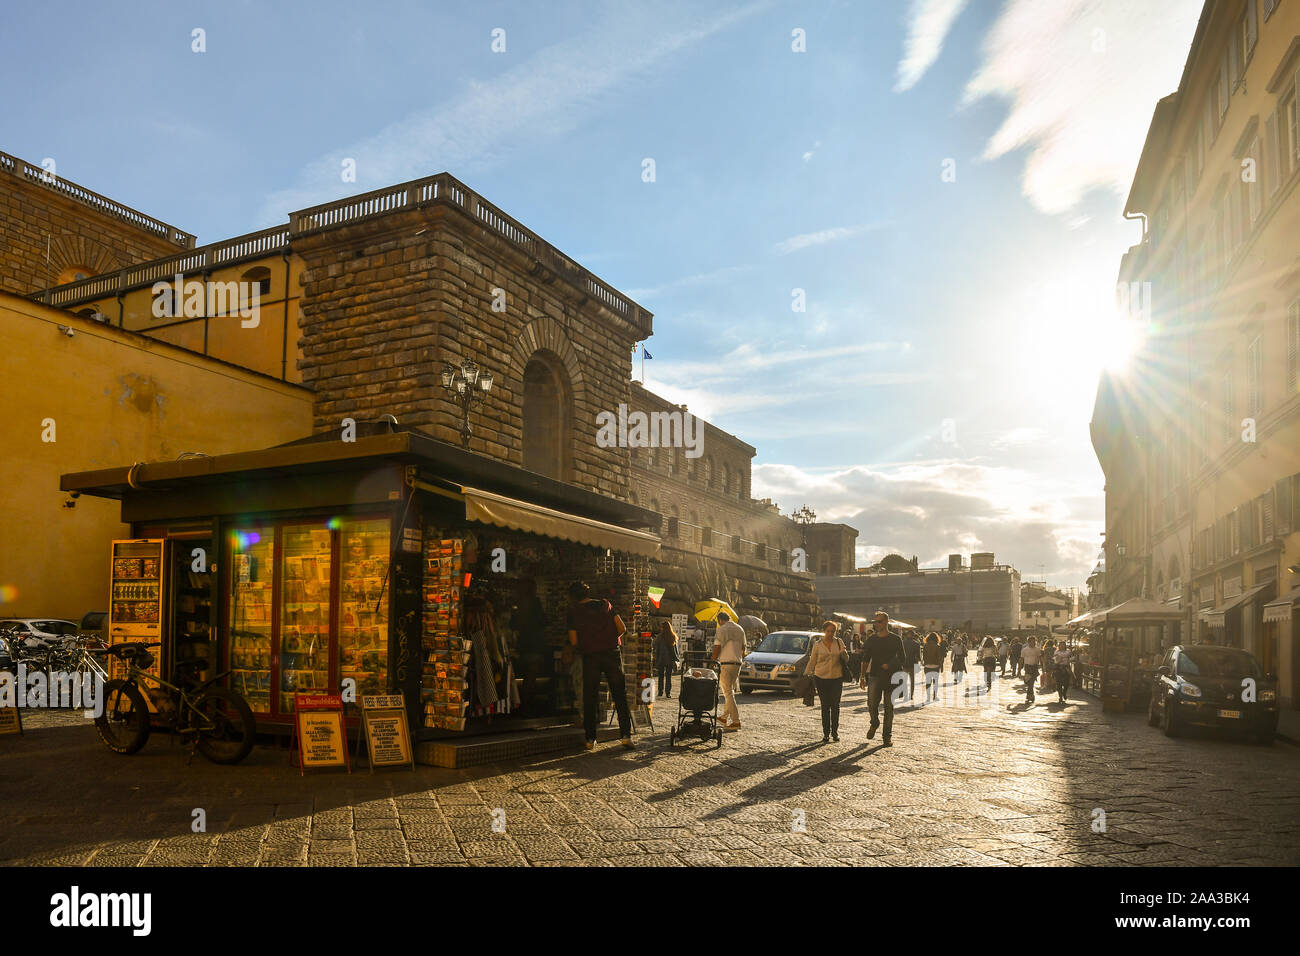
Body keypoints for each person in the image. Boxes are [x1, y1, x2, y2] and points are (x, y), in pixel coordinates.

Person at [567, 581, 633, 752]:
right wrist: (609, 640)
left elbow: (574, 641)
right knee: (619, 694)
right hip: (612, 653)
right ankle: (626, 736)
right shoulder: (606, 604)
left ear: (573, 597)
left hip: (590, 657)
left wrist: (589, 643)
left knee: (590, 696)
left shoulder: (573, 612)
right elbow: (622, 628)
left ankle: (590, 739)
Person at [858, 610, 907, 747]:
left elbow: (903, 658)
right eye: (875, 622)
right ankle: (874, 723)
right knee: (872, 704)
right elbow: (865, 659)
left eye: (879, 622)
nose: (876, 624)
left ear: (886, 622)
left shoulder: (896, 639)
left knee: (888, 708)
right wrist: (862, 677)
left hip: (892, 677)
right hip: (875, 676)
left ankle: (887, 737)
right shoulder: (872, 639)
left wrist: (890, 664)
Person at [805, 621, 849, 742]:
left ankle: (835, 732)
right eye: (828, 631)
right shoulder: (818, 644)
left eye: (832, 631)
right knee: (825, 706)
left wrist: (844, 653)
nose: (830, 633)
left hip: (836, 678)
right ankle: (826, 733)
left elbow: (846, 659)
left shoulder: (839, 642)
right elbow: (812, 660)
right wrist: (806, 674)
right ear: (824, 631)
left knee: (835, 705)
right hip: (821, 678)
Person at [510, 577, 548, 714]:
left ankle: (520, 702)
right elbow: (543, 621)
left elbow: (513, 623)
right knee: (531, 675)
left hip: (523, 644)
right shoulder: (535, 603)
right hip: (534, 644)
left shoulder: (518, 604)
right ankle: (526, 703)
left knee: (525, 674)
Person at [712, 611, 747, 731]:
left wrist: (712, 662)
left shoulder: (721, 630)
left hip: (725, 663)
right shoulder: (740, 629)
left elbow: (717, 647)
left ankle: (736, 721)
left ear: (720, 620)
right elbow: (743, 648)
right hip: (737, 663)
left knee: (727, 692)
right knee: (730, 691)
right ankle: (724, 716)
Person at [654, 619, 679, 699]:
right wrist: (676, 658)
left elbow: (655, 648)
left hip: (661, 659)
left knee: (660, 677)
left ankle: (660, 692)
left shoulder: (659, 637)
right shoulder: (673, 636)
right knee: (668, 677)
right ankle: (668, 693)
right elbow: (675, 649)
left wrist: (656, 659)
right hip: (670, 660)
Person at [922, 631, 943, 703]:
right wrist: (941, 666)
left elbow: (924, 656)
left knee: (928, 682)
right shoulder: (938, 646)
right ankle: (934, 696)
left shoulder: (925, 646)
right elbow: (940, 657)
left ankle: (928, 697)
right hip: (935, 666)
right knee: (935, 682)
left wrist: (924, 663)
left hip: (927, 666)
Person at [1020, 636, 1042, 703]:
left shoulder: (1037, 649)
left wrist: (1043, 667)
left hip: (1034, 667)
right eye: (1031, 641)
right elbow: (1021, 659)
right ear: (1028, 642)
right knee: (1028, 682)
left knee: (1031, 683)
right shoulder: (1024, 650)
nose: (1033, 643)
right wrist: (1019, 670)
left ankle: (1030, 696)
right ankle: (1030, 695)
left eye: (1034, 641)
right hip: (1027, 667)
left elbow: (1040, 658)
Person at [902, 631, 922, 701]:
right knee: (912, 680)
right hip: (913, 664)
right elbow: (918, 657)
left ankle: (905, 695)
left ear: (907, 635)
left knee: (904, 681)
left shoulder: (903, 643)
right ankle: (911, 695)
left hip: (904, 664)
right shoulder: (916, 644)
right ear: (913, 635)